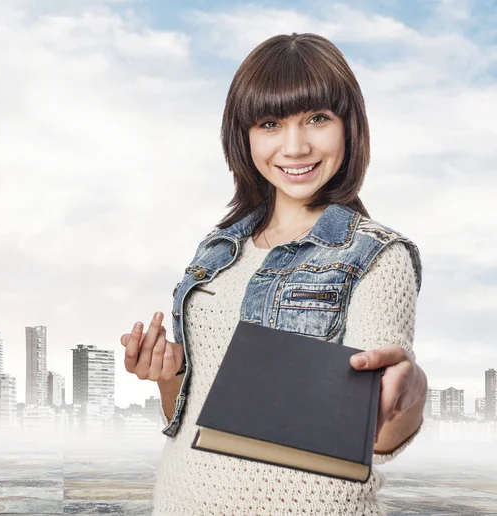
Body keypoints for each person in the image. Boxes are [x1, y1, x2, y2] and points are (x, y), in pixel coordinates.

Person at [120, 32, 427, 516]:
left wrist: (412, 393)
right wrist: (167, 375)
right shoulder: (218, 249)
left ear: (349, 127)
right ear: (243, 135)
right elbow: (190, 415)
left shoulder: (377, 255)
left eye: (318, 119)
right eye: (270, 122)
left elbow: (379, 438)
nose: (295, 146)